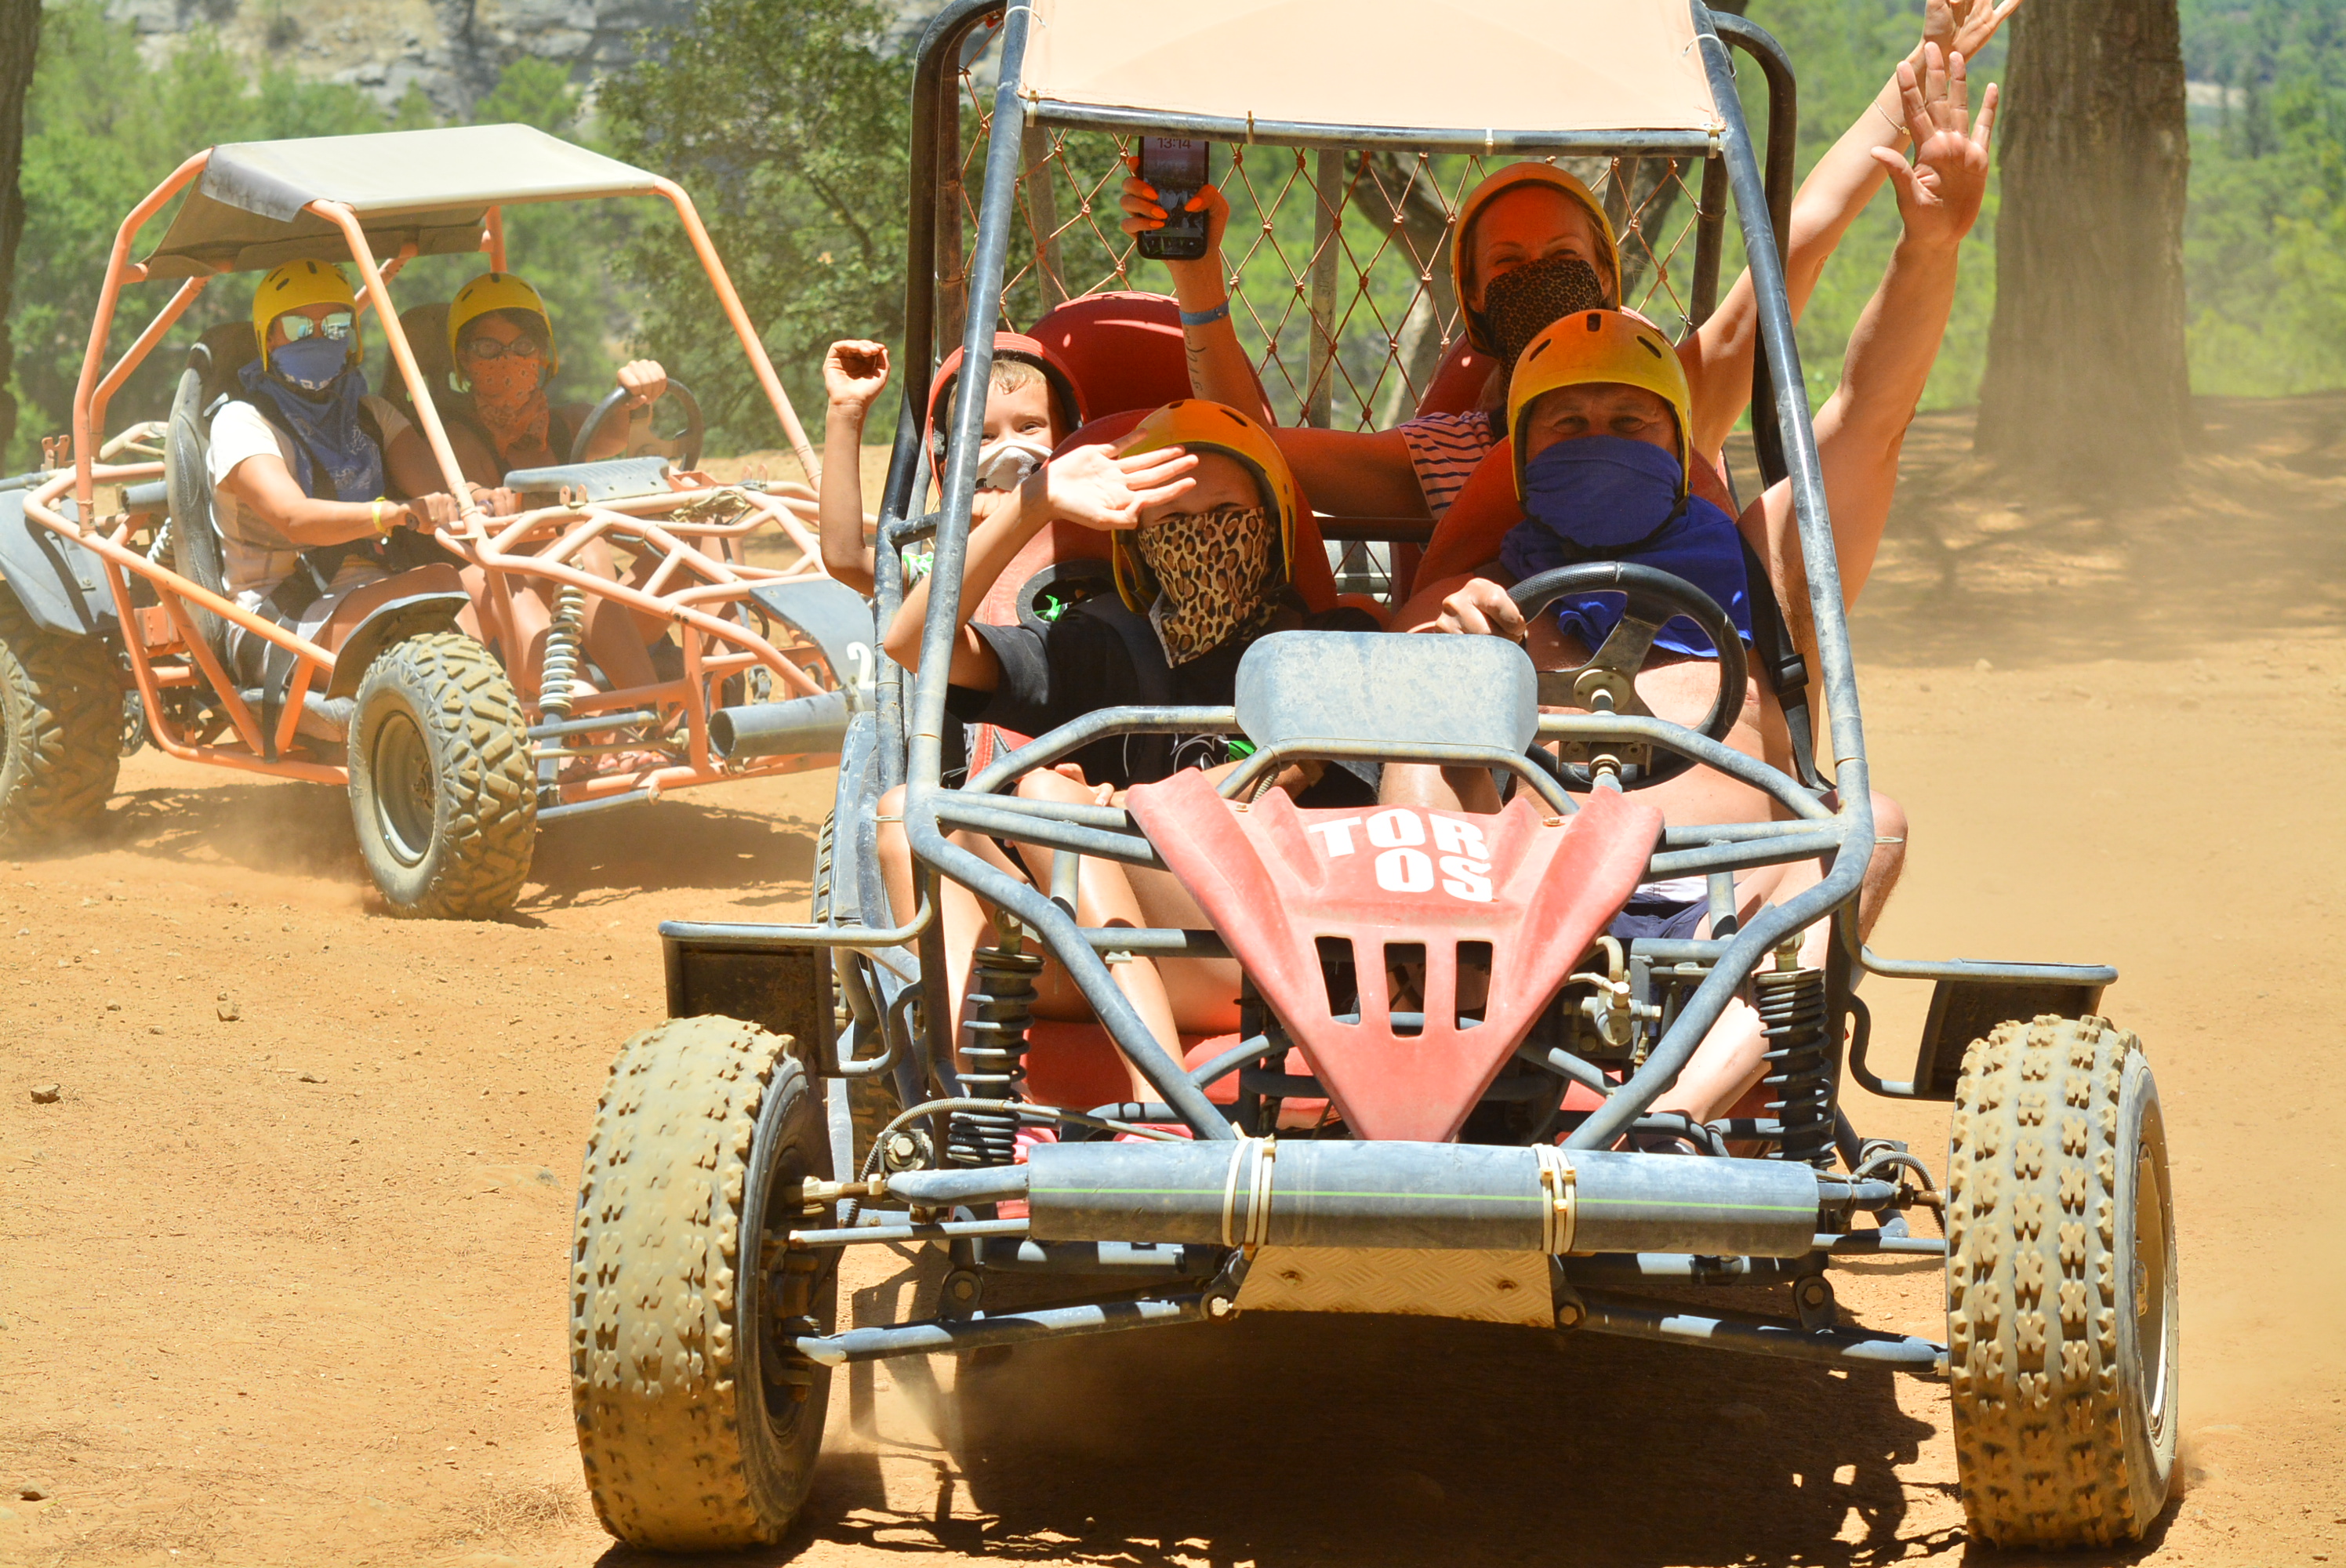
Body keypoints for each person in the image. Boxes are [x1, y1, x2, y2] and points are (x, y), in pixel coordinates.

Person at [1387, 45, 1995, 1132]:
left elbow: (1868, 418)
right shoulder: (1484, 583)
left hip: (1721, 920)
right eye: (1567, 426)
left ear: (1680, 446)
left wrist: (1931, 251)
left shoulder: (1758, 560)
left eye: (1629, 422)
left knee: (1876, 828)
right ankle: (1433, 1084)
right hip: (1514, 921)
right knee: (1414, 741)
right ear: (1520, 459)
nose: (1600, 441)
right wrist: (1447, 644)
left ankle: (1670, 1118)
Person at [1119, 0, 2023, 526]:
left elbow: (1797, 242)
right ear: (1472, 302)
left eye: (1561, 256)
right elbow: (1247, 449)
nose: (1539, 275)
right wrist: (1198, 278)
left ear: (1606, 281)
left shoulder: (1662, 400)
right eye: (1508, 263)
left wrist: (1911, 83)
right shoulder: (1444, 456)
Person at [876, 401, 1375, 1096]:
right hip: (1106, 947)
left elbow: (1297, 764)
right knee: (909, 817)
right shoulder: (1107, 643)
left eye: (1227, 512)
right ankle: (970, 1119)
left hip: (1265, 948)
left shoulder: (1327, 641)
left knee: (1051, 798)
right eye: (1172, 522)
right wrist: (1031, 506)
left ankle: (1160, 1107)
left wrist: (1125, 805)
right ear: (1137, 541)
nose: (1203, 539)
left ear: (1274, 523)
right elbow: (913, 645)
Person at [208, 260, 488, 687]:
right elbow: (294, 518)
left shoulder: (371, 415)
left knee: (496, 582)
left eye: (337, 325)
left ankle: (576, 717)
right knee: (440, 582)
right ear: (268, 337)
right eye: (301, 328)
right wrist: (390, 514)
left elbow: (441, 492)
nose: (319, 338)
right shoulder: (242, 422)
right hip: (279, 616)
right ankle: (491, 712)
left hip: (380, 595)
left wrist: (482, 498)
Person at [433, 271, 660, 693]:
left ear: (542, 354)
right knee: (582, 542)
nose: (507, 361)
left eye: (522, 347)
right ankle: (647, 712)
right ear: (463, 358)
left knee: (706, 534)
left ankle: (731, 682)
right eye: (488, 349)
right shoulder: (456, 436)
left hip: (590, 606)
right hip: (507, 604)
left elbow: (618, 428)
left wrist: (636, 395)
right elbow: (473, 496)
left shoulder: (567, 424)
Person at [816, 333, 1084, 596]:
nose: (1010, 449)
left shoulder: (1105, 532)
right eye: (984, 437)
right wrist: (846, 410)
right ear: (950, 473)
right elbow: (848, 561)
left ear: (1073, 441)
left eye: (1029, 427)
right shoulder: (949, 571)